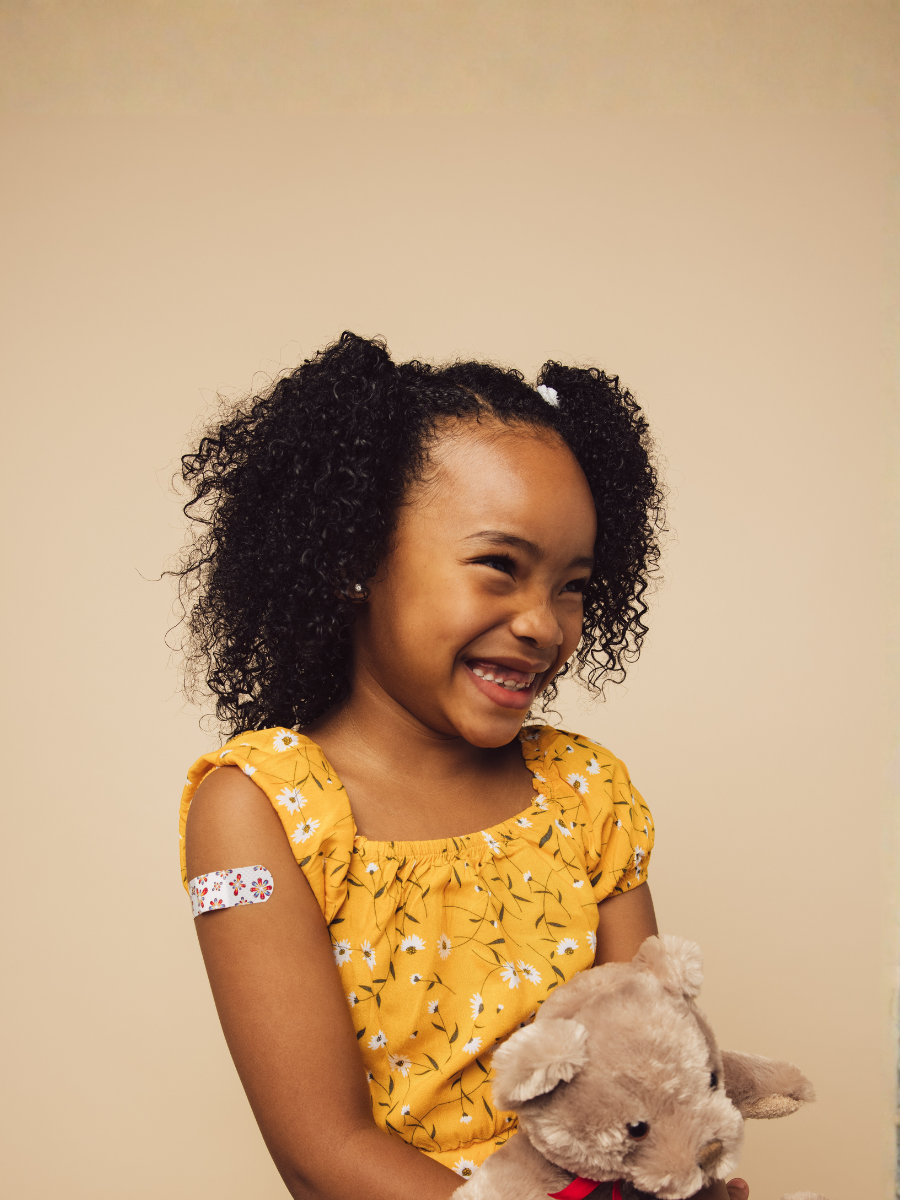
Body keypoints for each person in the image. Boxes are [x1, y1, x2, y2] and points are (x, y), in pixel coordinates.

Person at [175, 332, 749, 1200]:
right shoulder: (257, 810)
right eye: (499, 567)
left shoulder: (589, 792)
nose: (544, 624)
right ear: (352, 559)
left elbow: (652, 1066)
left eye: (573, 586)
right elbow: (322, 1148)